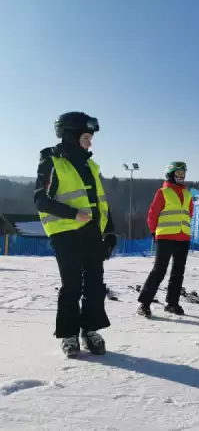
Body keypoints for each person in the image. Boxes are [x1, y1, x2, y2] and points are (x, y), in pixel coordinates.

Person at [34, 112, 117, 357]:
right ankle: (69, 334)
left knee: (94, 284)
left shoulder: (90, 165)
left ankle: (90, 330)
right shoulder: (51, 160)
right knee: (71, 285)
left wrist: (110, 232)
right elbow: (40, 199)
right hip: (65, 233)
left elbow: (101, 202)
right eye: (86, 137)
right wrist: (73, 214)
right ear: (71, 135)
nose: (90, 142)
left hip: (92, 233)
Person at [137, 162, 193, 318]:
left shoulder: (188, 193)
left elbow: (190, 213)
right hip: (165, 237)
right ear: (170, 175)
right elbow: (152, 214)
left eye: (183, 174)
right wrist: (154, 232)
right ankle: (144, 303)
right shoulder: (163, 192)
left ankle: (172, 303)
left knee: (178, 272)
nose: (181, 177)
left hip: (183, 237)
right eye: (178, 174)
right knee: (159, 270)